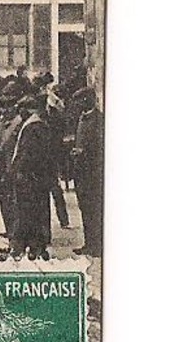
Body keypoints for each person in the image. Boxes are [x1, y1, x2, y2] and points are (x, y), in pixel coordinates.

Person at [6, 93, 58, 259]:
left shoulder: (34, 126)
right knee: (31, 212)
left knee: (31, 212)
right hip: (33, 178)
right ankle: (32, 245)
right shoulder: (34, 124)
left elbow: (29, 154)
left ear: (26, 110)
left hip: (30, 178)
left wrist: (18, 171)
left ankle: (34, 247)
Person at [70, 89, 103, 257]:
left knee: (94, 209)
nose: (78, 105)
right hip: (81, 172)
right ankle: (89, 243)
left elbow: (101, 148)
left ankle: (97, 245)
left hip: (92, 173)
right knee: (84, 208)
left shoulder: (99, 120)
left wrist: (84, 153)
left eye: (80, 101)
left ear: (88, 100)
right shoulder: (82, 118)